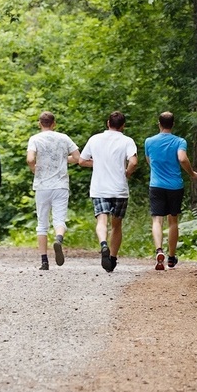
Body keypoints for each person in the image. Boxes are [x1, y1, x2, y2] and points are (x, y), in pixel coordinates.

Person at [79, 111, 138, 272]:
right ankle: (112, 258)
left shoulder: (95, 139)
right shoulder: (127, 141)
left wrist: (97, 163)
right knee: (116, 225)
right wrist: (127, 173)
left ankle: (103, 243)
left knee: (101, 220)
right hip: (119, 189)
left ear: (108, 123)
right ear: (123, 126)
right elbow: (133, 162)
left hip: (99, 188)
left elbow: (81, 161)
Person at [144, 111, 197, 270]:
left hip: (156, 185)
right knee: (173, 220)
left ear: (159, 124)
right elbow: (182, 158)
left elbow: (149, 161)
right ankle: (171, 257)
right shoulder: (179, 141)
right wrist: (192, 173)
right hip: (175, 186)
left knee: (157, 219)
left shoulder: (149, 141)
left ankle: (159, 250)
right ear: (173, 124)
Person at [26, 111, 80, 270]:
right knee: (59, 220)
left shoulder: (35, 139)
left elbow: (30, 159)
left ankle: (44, 261)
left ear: (39, 123)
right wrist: (63, 159)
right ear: (54, 123)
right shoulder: (64, 138)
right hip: (61, 185)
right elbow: (78, 158)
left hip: (42, 185)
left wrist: (34, 169)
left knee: (42, 224)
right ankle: (59, 238)